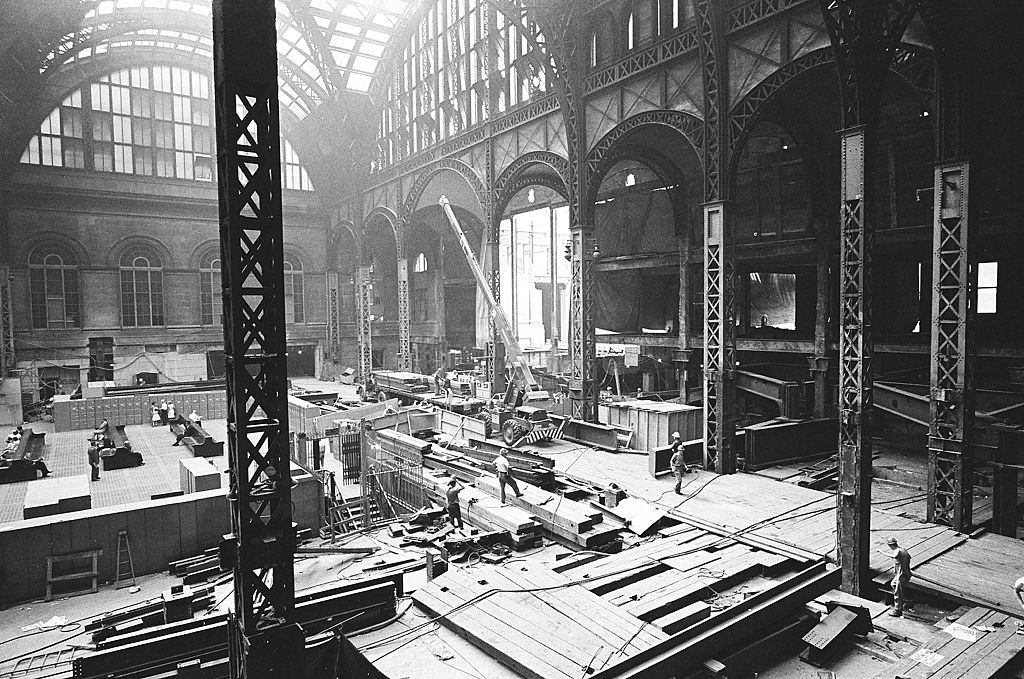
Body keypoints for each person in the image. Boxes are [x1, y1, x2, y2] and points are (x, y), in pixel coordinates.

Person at [878, 537, 911, 616]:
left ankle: (898, 610)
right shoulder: (904, 550)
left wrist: (882, 552)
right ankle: (905, 600)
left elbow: (894, 556)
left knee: (897, 592)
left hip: (901, 575)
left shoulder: (898, 551)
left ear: (891, 545)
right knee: (893, 584)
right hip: (905, 573)